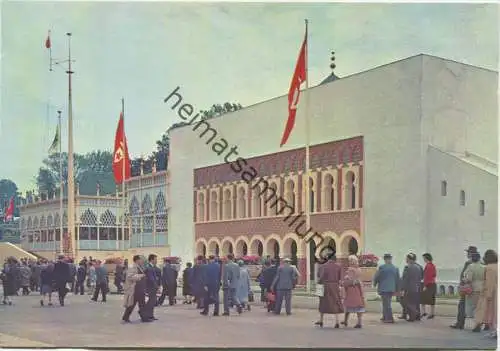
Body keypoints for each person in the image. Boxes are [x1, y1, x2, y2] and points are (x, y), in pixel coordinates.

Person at [451, 246, 477, 329]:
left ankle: (460, 323)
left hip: (467, 288)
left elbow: (464, 275)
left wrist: (461, 284)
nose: (467, 254)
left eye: (468, 252)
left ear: (470, 253)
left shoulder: (468, 263)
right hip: (476, 289)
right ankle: (480, 325)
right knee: (477, 307)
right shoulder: (481, 263)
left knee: (462, 305)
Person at [315, 253, 343, 327]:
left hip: (325, 285)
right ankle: (337, 321)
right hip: (335, 286)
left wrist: (318, 284)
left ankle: (321, 320)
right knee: (335, 302)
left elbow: (320, 276)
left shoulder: (323, 266)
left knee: (323, 302)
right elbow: (340, 278)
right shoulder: (338, 266)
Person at [474, 249, 497, 338]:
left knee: (490, 313)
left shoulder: (489, 268)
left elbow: (489, 282)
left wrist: (488, 295)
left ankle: (495, 331)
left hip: (492, 293)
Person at [373, 253, 400, 323]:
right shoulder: (395, 268)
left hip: (384, 288)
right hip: (391, 288)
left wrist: (375, 283)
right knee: (387, 302)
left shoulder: (382, 267)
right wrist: (397, 289)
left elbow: (377, 276)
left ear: (385, 259)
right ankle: (385, 316)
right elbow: (397, 279)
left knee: (386, 304)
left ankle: (389, 318)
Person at [463, 251, 485, 330]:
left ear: (472, 259)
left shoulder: (470, 267)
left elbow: (469, 279)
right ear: (479, 258)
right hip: (482, 288)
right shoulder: (484, 267)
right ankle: (481, 322)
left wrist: (464, 279)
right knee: (480, 307)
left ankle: (477, 324)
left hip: (473, 289)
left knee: (473, 308)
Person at [342, 255, 365, 328]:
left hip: (351, 290)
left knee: (348, 305)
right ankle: (359, 322)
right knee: (359, 306)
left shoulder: (350, 270)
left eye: (350, 260)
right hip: (358, 289)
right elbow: (358, 280)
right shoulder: (359, 269)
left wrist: (345, 281)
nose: (349, 262)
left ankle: (346, 320)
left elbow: (350, 281)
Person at [122, 255, 146, 323]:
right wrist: (141, 276)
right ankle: (126, 317)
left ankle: (144, 317)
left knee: (142, 303)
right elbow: (130, 277)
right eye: (141, 259)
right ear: (137, 260)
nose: (142, 261)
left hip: (140, 288)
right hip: (135, 288)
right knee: (132, 304)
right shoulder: (132, 267)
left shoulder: (140, 267)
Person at [400, 253, 422, 322]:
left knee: (407, 302)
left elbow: (405, 279)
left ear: (409, 259)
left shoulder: (407, 267)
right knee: (415, 302)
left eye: (407, 258)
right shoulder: (419, 267)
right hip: (417, 287)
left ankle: (413, 315)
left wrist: (402, 288)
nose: (406, 260)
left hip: (409, 288)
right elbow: (421, 277)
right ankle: (416, 316)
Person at [420, 253, 437, 319]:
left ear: (426, 258)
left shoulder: (428, 266)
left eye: (424, 258)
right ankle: (432, 313)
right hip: (433, 284)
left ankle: (423, 312)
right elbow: (434, 275)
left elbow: (427, 277)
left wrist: (425, 286)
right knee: (432, 300)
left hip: (428, 284)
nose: (423, 259)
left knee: (422, 299)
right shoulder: (433, 265)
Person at [144, 254, 159, 321]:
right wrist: (156, 286)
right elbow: (151, 279)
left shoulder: (152, 267)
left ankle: (150, 315)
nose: (156, 261)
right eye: (155, 259)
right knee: (151, 301)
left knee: (152, 301)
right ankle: (146, 314)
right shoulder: (149, 267)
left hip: (153, 287)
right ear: (152, 260)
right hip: (151, 287)